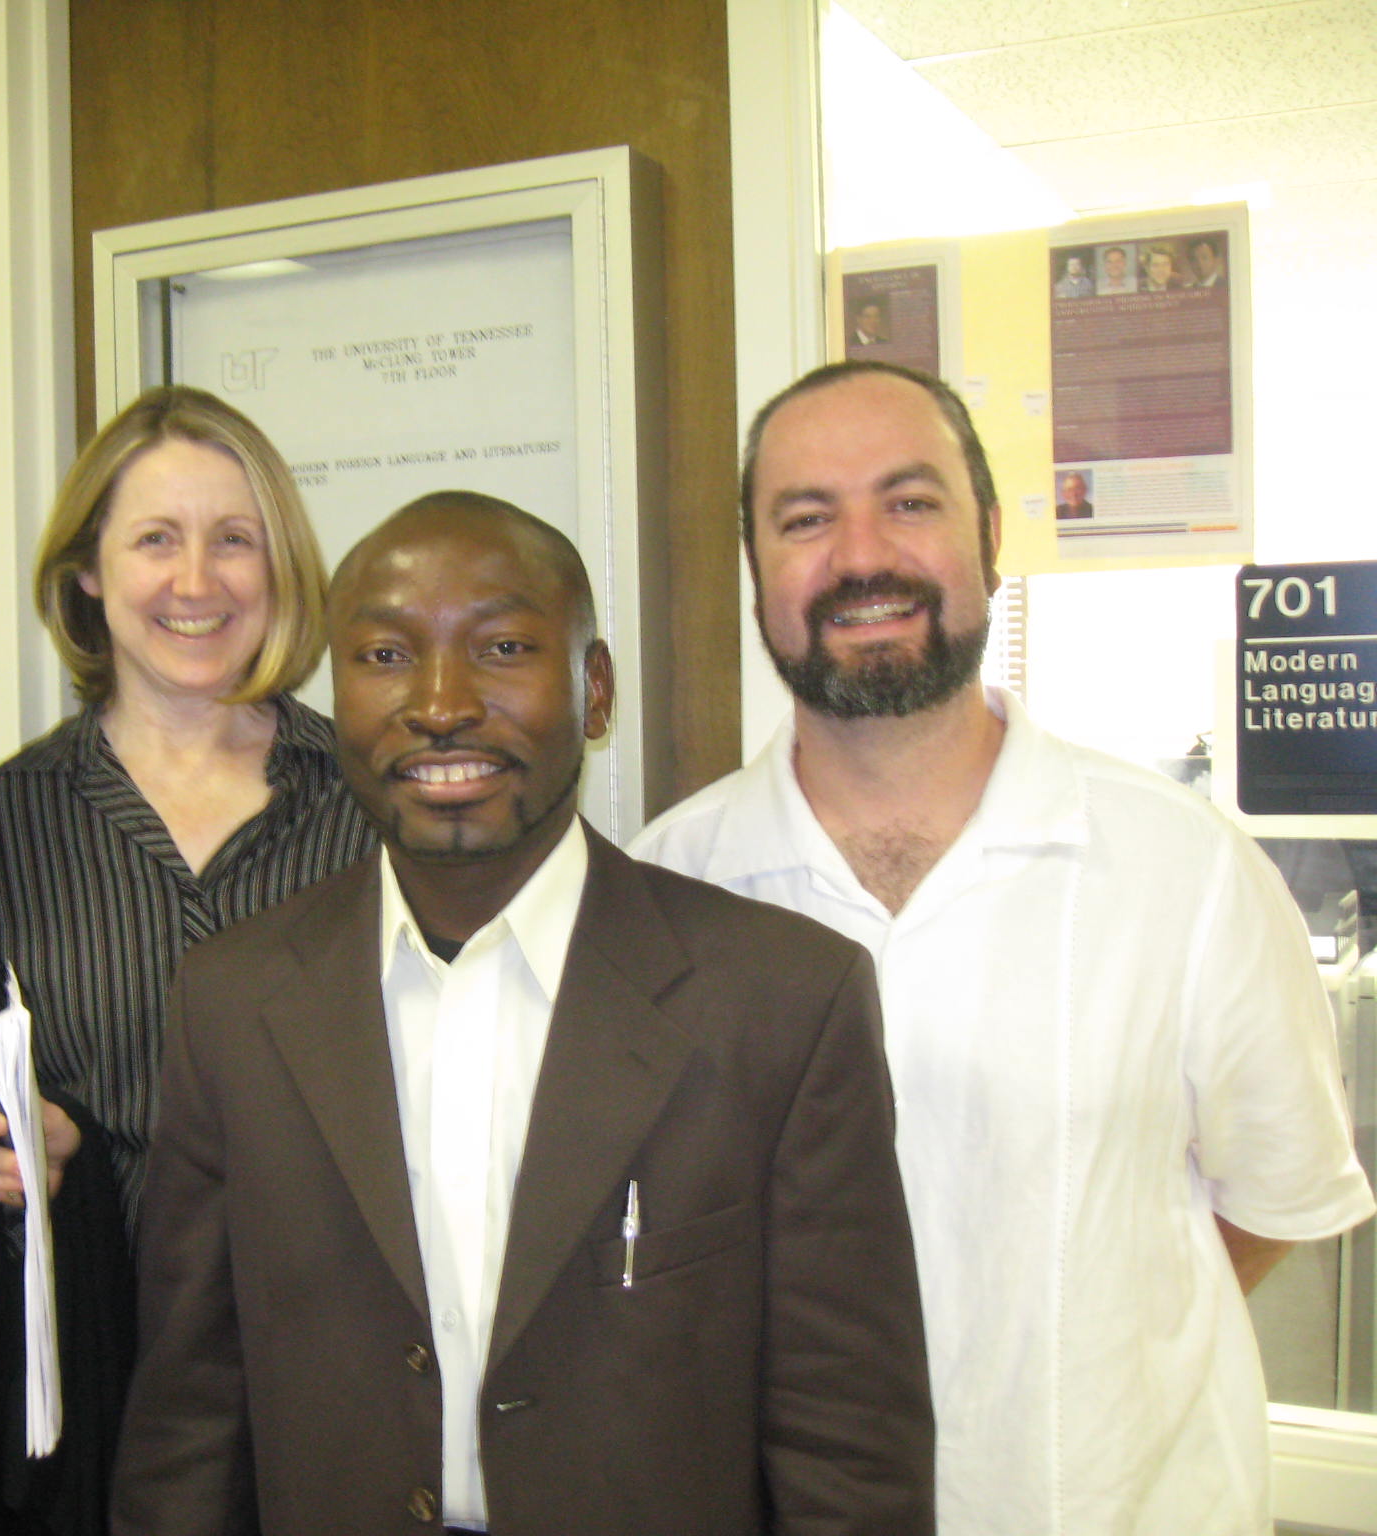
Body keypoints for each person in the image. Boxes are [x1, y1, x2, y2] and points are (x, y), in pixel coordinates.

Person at [630, 359, 1376, 1536]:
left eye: (908, 501)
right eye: (804, 518)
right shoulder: (666, 885)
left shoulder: (1182, 870)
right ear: (756, 569)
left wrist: (1086, 1344)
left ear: (986, 536)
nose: (861, 555)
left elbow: (1274, 1203)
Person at [113, 492, 935, 1536]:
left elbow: (847, 1443)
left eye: (501, 647)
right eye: (382, 656)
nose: (440, 704)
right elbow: (190, 1413)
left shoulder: (778, 1001)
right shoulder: (234, 1003)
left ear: (593, 691)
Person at [0, 385, 375, 1535]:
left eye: (234, 540)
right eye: (154, 540)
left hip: (341, 1393)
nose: (195, 581)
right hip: (101, 1409)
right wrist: (24, 1149)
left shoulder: (366, 810)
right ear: (86, 572)